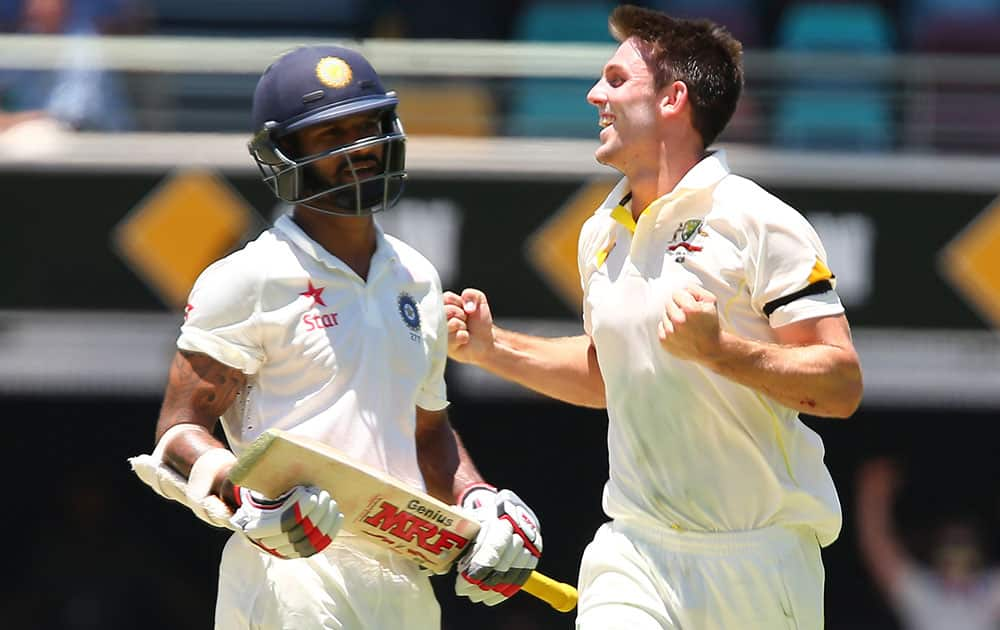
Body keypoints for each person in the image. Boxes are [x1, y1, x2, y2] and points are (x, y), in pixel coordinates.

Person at [445, 5, 863, 629]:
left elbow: (839, 385)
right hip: (633, 549)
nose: (594, 95)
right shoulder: (598, 234)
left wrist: (721, 351)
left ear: (673, 98)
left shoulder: (760, 220)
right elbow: (606, 374)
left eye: (615, 80)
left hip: (761, 559)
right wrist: (491, 348)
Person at [129, 44, 542, 629]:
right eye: (330, 137)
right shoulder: (248, 277)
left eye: (367, 127)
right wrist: (248, 496)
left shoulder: (416, 277)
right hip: (291, 572)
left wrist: (479, 503)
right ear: (284, 154)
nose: (361, 149)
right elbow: (177, 434)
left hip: (403, 578)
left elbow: (427, 435)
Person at [856, 457, 1000, 630]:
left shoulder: (989, 592)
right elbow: (879, 549)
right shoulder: (926, 595)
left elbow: (878, 548)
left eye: (964, 543)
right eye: (951, 543)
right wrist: (873, 496)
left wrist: (872, 497)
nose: (957, 550)